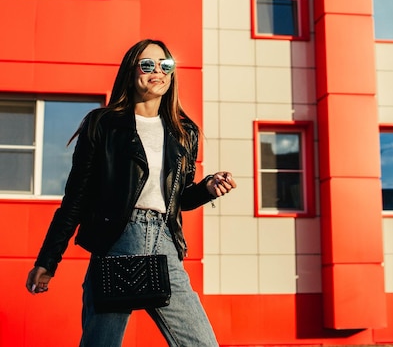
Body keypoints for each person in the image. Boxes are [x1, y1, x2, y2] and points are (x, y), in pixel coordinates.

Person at [26, 39, 236, 347]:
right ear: (131, 71)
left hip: (163, 241)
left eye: (166, 65)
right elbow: (76, 199)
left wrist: (206, 189)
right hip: (116, 241)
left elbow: (179, 200)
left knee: (201, 343)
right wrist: (48, 259)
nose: (158, 72)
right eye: (148, 64)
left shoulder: (184, 130)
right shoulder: (104, 124)